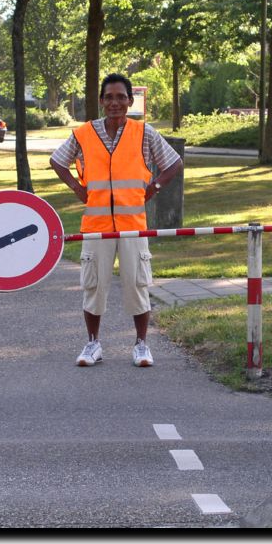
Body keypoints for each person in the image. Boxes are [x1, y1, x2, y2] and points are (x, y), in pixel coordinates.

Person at [50, 73, 183, 368]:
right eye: (109, 97)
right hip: (96, 227)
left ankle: (141, 345)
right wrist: (76, 188)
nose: (114, 103)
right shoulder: (84, 133)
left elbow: (174, 163)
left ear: (129, 101)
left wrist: (154, 187)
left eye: (120, 97)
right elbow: (57, 160)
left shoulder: (144, 133)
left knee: (136, 284)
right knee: (94, 286)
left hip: (132, 224)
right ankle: (93, 344)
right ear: (101, 101)